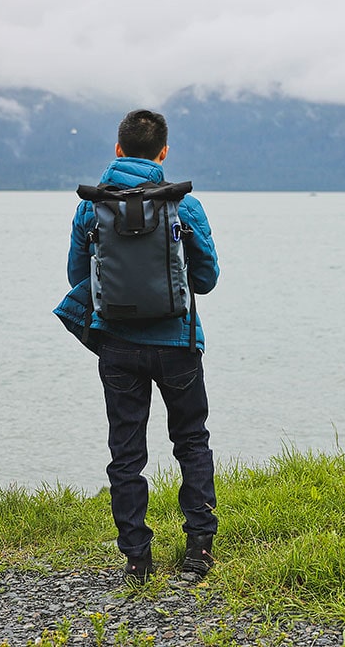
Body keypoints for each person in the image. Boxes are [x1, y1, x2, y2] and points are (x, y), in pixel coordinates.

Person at [53, 109, 220, 584]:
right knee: (190, 440)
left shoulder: (91, 207)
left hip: (118, 347)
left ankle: (136, 559)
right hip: (178, 346)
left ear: (118, 149)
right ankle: (199, 550)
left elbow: (76, 277)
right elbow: (205, 281)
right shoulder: (183, 206)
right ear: (163, 152)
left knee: (126, 451)